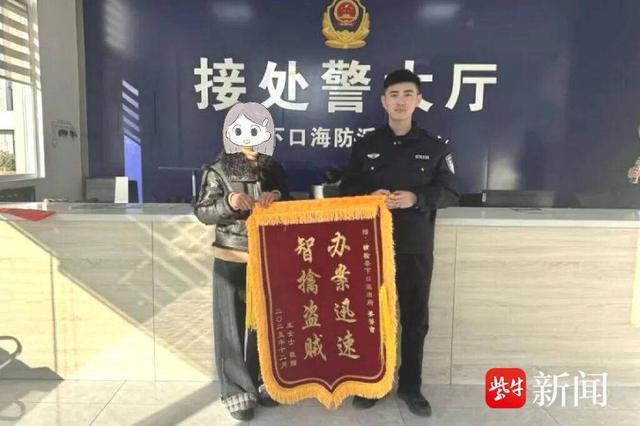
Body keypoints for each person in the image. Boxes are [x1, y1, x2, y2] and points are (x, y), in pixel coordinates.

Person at [339, 69, 459, 417]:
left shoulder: (434, 147)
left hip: (414, 246)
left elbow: (451, 194)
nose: (401, 101)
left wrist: (416, 198)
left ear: (418, 100)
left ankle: (410, 387)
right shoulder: (366, 146)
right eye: (394, 94)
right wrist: (367, 196)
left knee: (414, 319)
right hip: (371, 247)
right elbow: (345, 189)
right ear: (383, 101)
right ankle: (373, 383)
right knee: (372, 317)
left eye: (408, 94)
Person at [194, 102, 290, 421]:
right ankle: (236, 390)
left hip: (267, 256)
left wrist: (277, 197)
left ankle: (263, 381)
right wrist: (229, 202)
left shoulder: (274, 168)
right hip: (232, 255)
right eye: (241, 130)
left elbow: (290, 205)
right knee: (231, 327)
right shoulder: (217, 170)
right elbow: (203, 212)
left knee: (264, 323)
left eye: (255, 130)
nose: (248, 137)